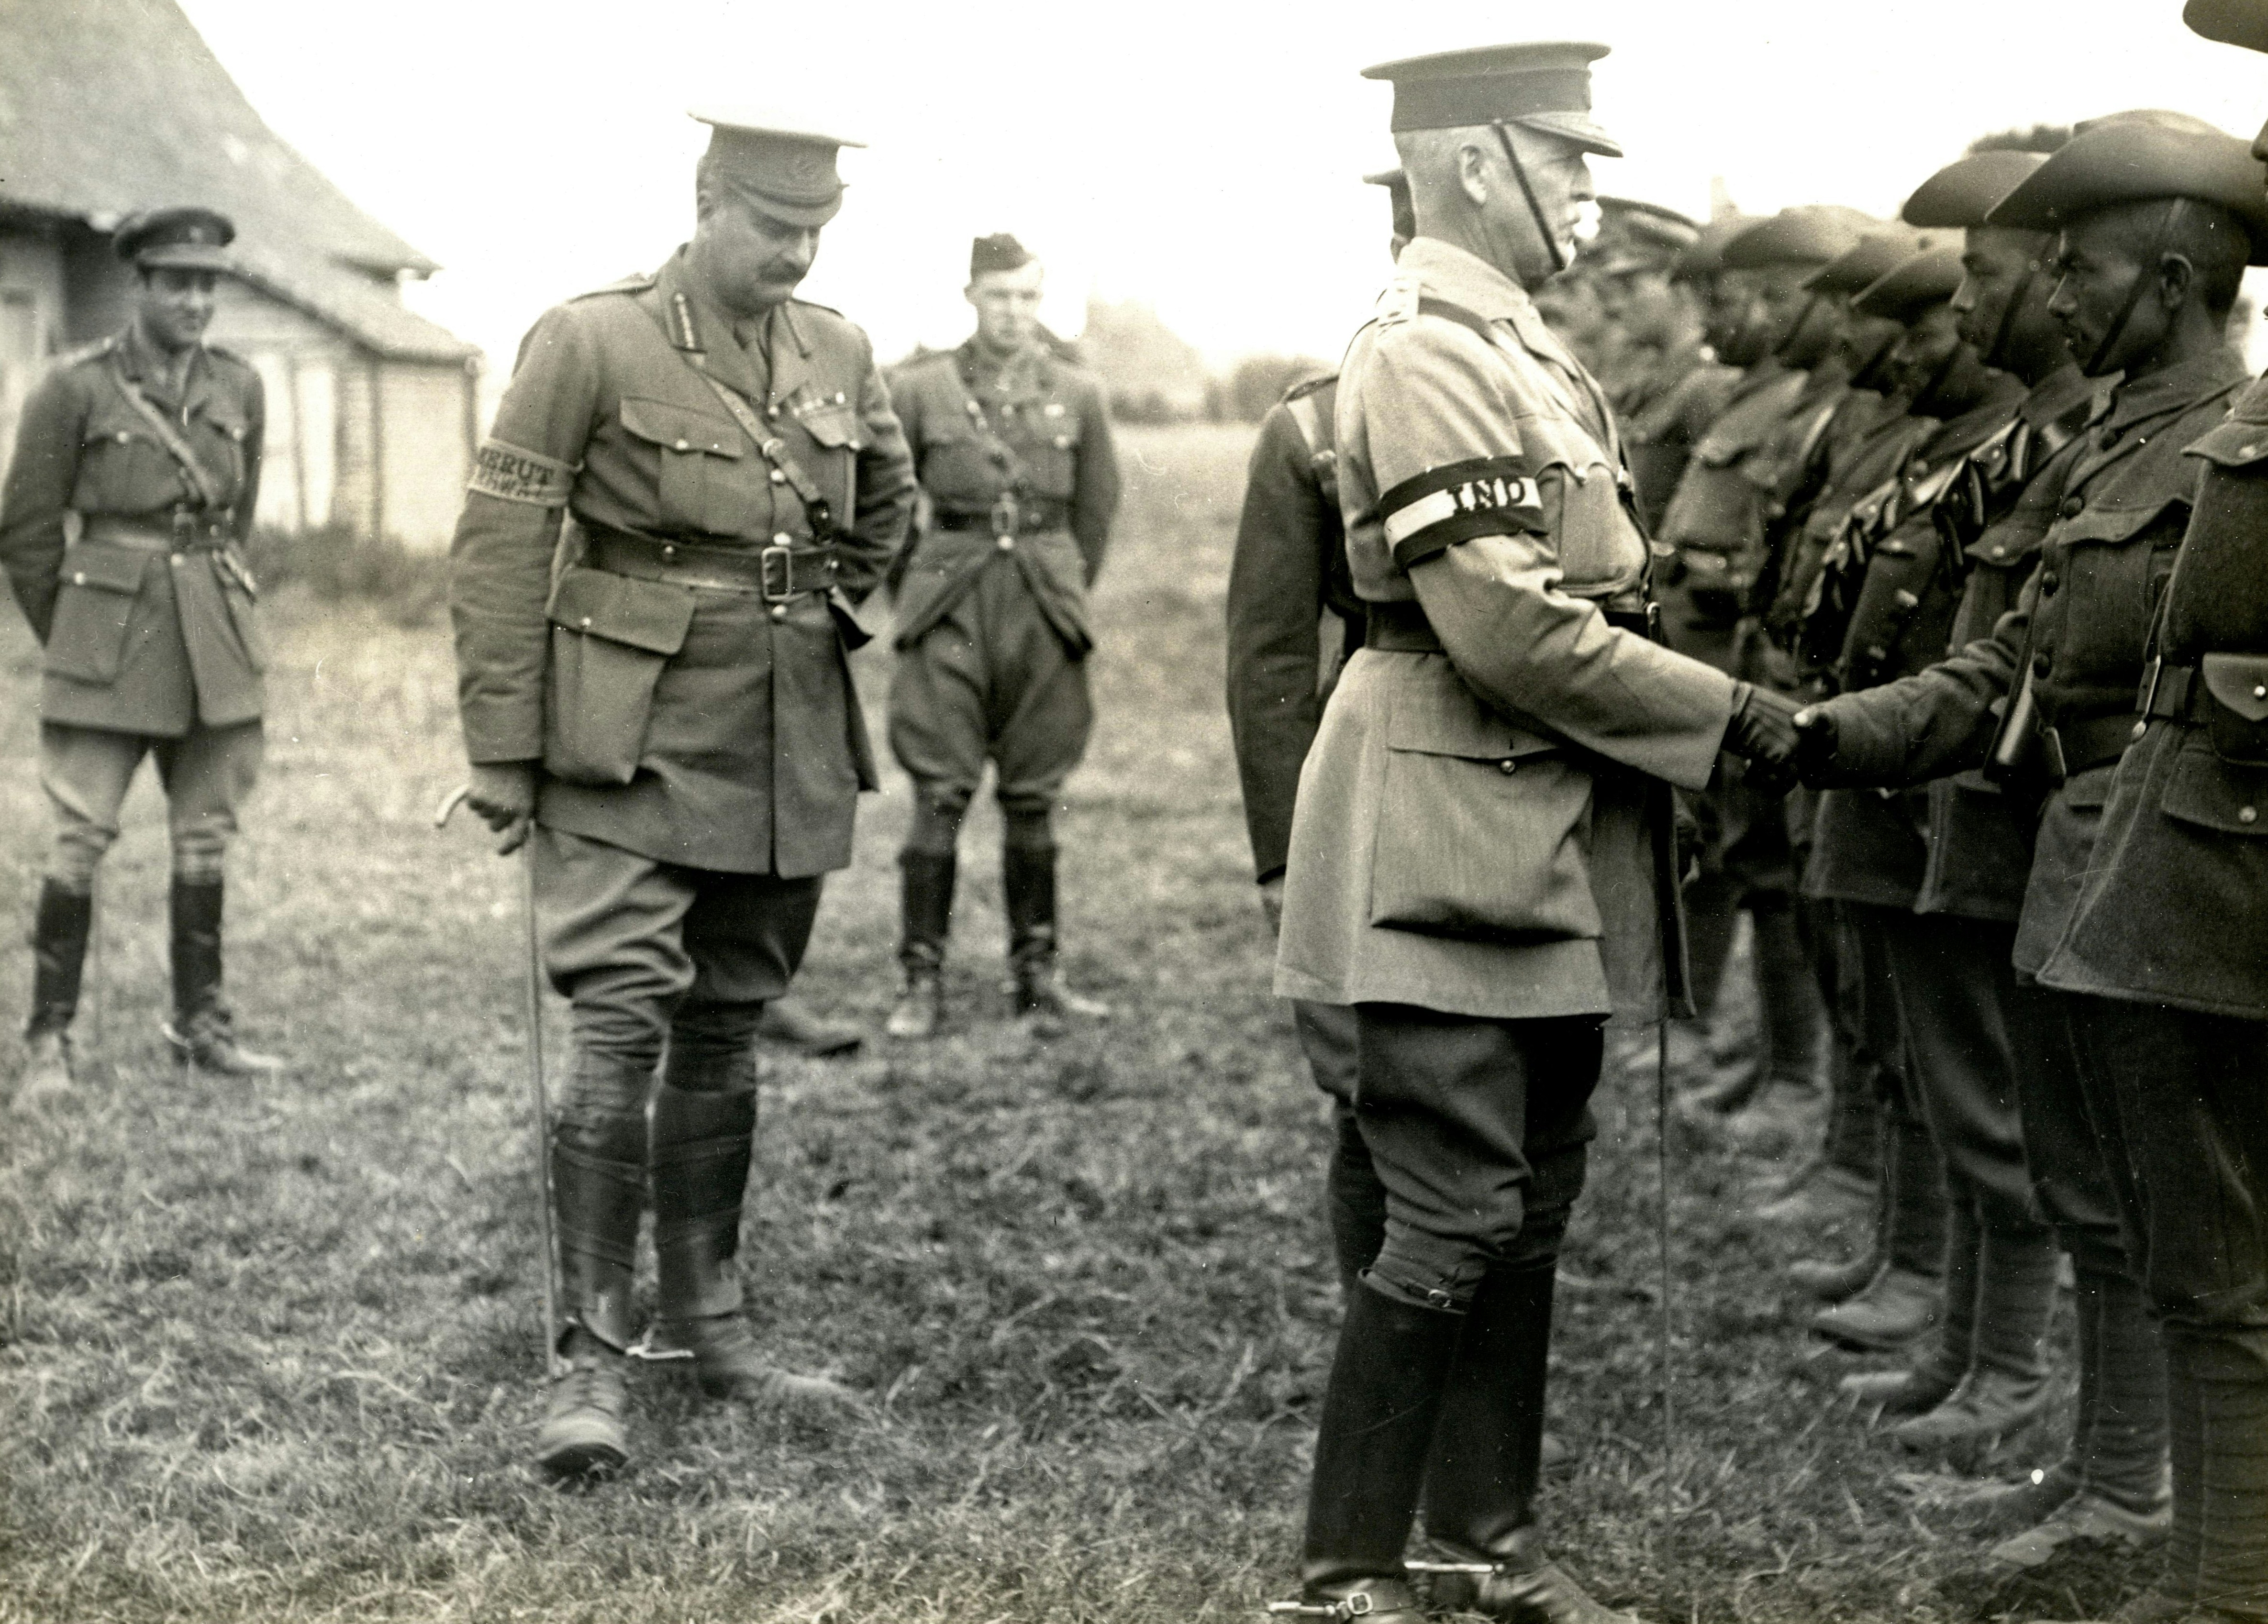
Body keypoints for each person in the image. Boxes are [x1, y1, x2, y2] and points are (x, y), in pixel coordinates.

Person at [1269, 42, 1800, 1624]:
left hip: (1538, 831)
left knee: (1528, 1202)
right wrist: (1735, 719)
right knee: (1449, 1204)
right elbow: (1506, 626)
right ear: (1471, 160)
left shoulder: (1519, 348)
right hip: (1442, 824)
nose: (1585, 188)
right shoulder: (1428, 348)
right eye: (1562, 157)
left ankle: (1483, 1544)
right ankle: (1347, 1572)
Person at [1794, 109, 2263, 1570]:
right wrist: (1812, 731)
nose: (2053, 298)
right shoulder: (2111, 447)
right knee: (2103, 1199)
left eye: (2080, 270)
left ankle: (2183, 1538)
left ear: (2170, 282)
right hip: (2086, 865)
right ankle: (2115, 1487)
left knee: (2194, 1236)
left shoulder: (2223, 442)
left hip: (2180, 872)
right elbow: (2012, 662)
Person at [446, 110, 917, 1478]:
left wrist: (817, 601)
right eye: (773, 226)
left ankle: (712, 1325)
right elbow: (501, 545)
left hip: (780, 735)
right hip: (625, 736)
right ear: (707, 202)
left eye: (816, 230)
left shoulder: (838, 349)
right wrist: (502, 749)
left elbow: (887, 503)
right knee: (617, 1027)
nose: (797, 253)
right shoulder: (588, 340)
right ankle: (590, 1361)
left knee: (727, 1028)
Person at [2024, 16, 2268, 1613]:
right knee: (2206, 1268)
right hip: (2182, 874)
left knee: (2224, 1270)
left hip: (2214, 873)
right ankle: (2213, 1578)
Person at [1, 206, 279, 1104]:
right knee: (80, 837)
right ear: (139, 285)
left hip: (214, 637)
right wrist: (76, 636)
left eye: (209, 286)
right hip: (106, 637)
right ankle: (50, 1042)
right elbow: (28, 531)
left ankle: (202, 1026)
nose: (196, 301)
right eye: (178, 284)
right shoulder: (75, 388)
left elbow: (236, 519)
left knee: (206, 835)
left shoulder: (240, 387)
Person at [880, 234, 1122, 1038]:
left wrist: (1060, 588)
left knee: (1033, 796)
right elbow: (889, 506)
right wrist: (919, 590)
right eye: (999, 296)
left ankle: (1038, 977)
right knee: (939, 795)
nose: (1014, 312)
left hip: (1043, 606)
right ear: (972, 297)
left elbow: (1096, 510)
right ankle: (921, 981)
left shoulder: (1079, 392)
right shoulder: (919, 390)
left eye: (1027, 296)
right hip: (949, 608)